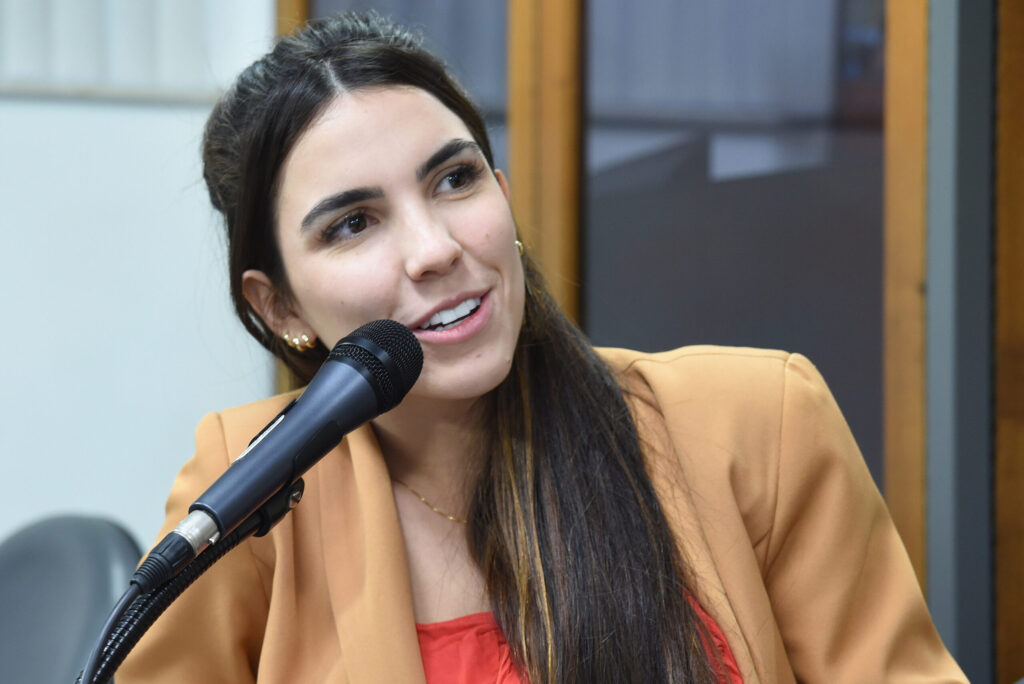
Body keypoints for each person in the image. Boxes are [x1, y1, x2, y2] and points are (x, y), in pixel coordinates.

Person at [119, 11, 965, 684]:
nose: (435, 249)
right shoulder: (248, 501)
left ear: (504, 196)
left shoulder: (761, 426)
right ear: (279, 306)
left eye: (455, 180)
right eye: (353, 224)